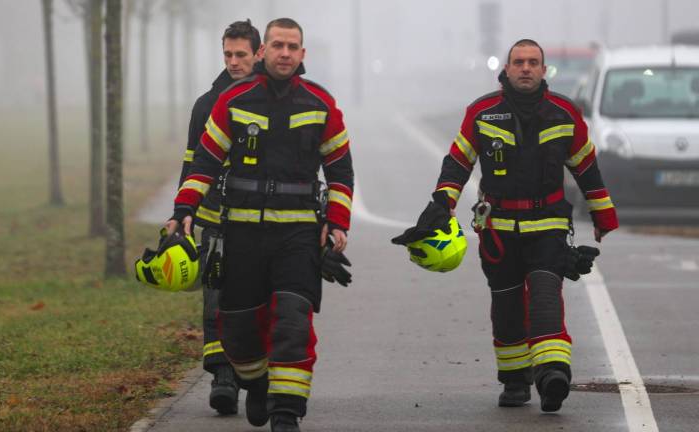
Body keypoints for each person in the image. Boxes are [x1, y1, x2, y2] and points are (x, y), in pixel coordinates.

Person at [392, 39, 619, 412]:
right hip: (498, 228)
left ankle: (553, 374)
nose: (525, 68)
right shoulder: (482, 112)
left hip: (547, 224)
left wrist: (603, 214)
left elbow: (586, 166)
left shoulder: (565, 113)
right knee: (507, 304)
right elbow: (458, 162)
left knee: (546, 295)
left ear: (543, 70)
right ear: (507, 69)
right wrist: (442, 203)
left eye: (533, 62)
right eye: (519, 62)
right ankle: (515, 381)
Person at [169, 17, 354, 432]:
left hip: (298, 236)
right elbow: (205, 161)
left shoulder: (321, 103)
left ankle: (286, 411)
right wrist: (183, 210)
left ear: (302, 53)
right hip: (242, 234)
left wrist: (337, 223)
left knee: (293, 319)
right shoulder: (233, 100)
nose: (285, 53)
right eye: (278, 46)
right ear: (263, 52)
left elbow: (340, 170)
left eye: (292, 47)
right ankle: (255, 381)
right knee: (237, 329)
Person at [175, 19, 261, 416]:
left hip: (264, 223)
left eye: (241, 54)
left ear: (258, 53)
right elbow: (192, 163)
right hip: (216, 220)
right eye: (228, 54)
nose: (233, 62)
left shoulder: (274, 100)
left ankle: (256, 377)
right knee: (216, 301)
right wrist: (182, 211)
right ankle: (222, 377)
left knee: (259, 303)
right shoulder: (206, 105)